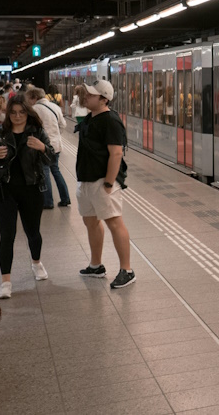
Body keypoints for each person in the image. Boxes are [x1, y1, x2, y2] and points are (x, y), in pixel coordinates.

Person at [0, 95, 56, 299]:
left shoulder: (37, 133)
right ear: (7, 113)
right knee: (7, 236)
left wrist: (43, 148)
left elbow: (52, 158)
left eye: (22, 112)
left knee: (33, 231)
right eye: (13, 112)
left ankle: (36, 263)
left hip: (32, 189)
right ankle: (6, 282)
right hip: (4, 191)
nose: (18, 116)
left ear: (28, 113)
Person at [76, 76, 136, 289]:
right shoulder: (90, 118)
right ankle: (96, 265)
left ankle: (127, 270)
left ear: (103, 99)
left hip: (102, 181)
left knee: (114, 222)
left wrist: (109, 183)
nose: (85, 97)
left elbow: (116, 153)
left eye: (90, 95)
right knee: (90, 221)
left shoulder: (110, 120)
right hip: (86, 180)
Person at [26, 87, 71, 209]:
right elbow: (63, 125)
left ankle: (48, 201)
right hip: (56, 145)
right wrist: (55, 136)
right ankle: (65, 198)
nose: (28, 101)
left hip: (42, 147)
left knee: (44, 172)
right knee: (56, 171)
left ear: (34, 97)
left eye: (29, 98)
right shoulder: (55, 107)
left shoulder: (34, 109)